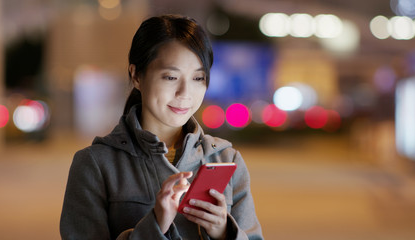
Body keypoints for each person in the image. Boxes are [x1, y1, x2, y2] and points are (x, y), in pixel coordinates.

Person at [60, 14, 263, 240]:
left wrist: (225, 232)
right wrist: (153, 227)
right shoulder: (96, 164)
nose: (185, 93)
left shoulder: (225, 159)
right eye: (170, 77)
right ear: (136, 75)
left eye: (198, 78)